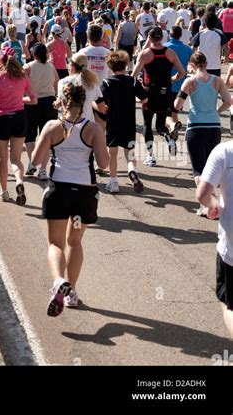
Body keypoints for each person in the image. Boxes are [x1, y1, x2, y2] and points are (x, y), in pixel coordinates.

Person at [31, 83, 110, 316]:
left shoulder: (52, 126)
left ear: (62, 102)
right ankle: (71, 292)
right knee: (74, 242)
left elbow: (36, 161)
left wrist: (52, 146)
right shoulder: (94, 129)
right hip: (83, 193)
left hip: (58, 190)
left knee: (55, 243)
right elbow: (104, 164)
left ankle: (57, 281)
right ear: (84, 103)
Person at [174, 52, 231, 214]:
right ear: (206, 64)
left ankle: (208, 204)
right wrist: (217, 111)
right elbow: (228, 101)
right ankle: (210, 202)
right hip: (214, 127)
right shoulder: (217, 80)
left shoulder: (190, 82)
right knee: (210, 166)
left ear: (192, 65)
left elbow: (178, 105)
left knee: (198, 169)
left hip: (196, 127)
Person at [0, 46, 36, 204]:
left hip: (2, 118)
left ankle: (4, 191)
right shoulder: (23, 78)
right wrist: (21, 100)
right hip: (19, 117)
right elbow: (34, 99)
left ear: (1, 62)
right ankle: (19, 182)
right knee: (17, 159)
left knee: (3, 158)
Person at [132, 26, 186, 165]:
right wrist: (172, 79)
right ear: (162, 38)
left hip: (150, 92)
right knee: (161, 125)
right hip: (166, 92)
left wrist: (139, 86)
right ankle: (167, 136)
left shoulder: (145, 54)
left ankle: (151, 156)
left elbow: (133, 76)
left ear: (149, 38)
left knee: (147, 125)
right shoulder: (171, 53)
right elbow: (182, 72)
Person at [196, 141, 233, 337]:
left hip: (231, 243)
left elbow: (202, 193)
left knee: (228, 303)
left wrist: (213, 205)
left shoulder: (224, 151)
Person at [100, 50, 148, 194]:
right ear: (126, 64)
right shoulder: (132, 81)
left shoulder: (107, 83)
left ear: (110, 66)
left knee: (112, 153)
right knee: (130, 152)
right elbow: (144, 98)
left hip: (113, 122)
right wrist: (135, 99)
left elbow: (102, 103)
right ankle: (131, 170)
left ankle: (114, 182)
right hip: (129, 122)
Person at [24, 43, 59, 179]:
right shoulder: (51, 67)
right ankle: (43, 169)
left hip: (32, 102)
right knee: (46, 138)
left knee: (30, 135)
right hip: (49, 103)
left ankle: (32, 163)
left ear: (34, 54)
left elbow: (22, 84)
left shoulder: (28, 67)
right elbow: (57, 83)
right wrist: (55, 95)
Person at [190, 12, 228, 77]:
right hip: (215, 65)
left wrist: (193, 62)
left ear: (205, 22)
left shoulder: (200, 33)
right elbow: (226, 47)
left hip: (201, 65)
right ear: (216, 22)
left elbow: (193, 47)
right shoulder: (220, 33)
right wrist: (226, 58)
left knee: (201, 85)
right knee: (215, 86)